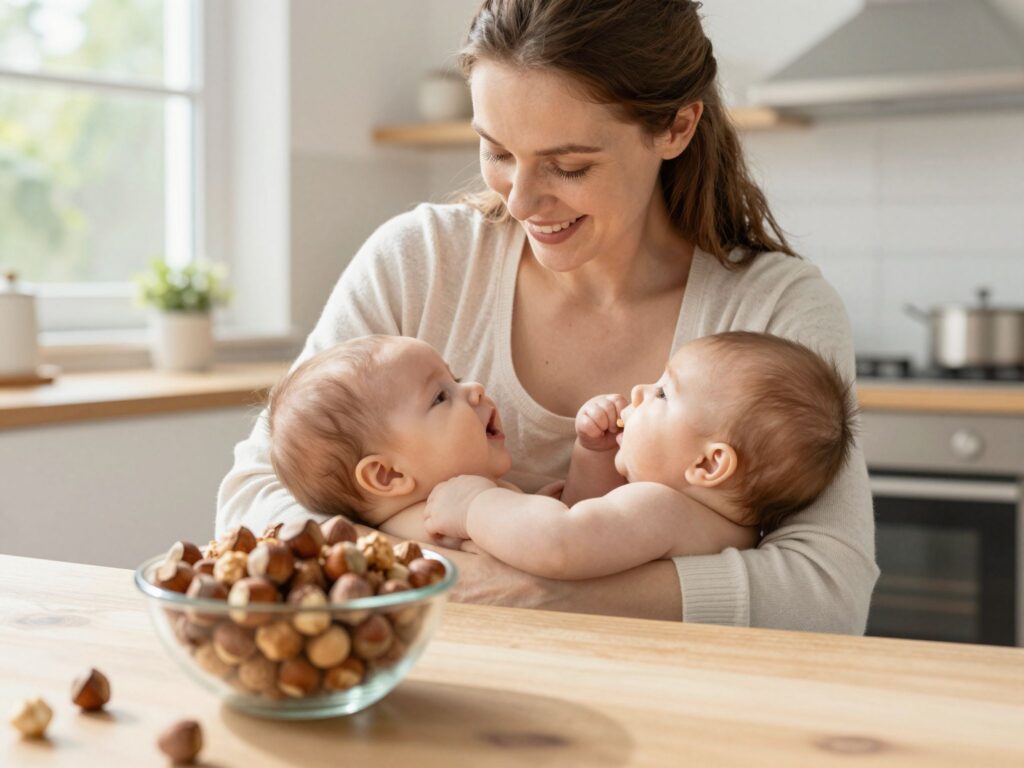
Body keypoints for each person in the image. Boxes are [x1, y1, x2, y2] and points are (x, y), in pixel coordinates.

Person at [218, 0, 878, 632]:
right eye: (498, 152)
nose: (524, 199)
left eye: (567, 164)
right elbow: (253, 501)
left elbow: (829, 595)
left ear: (676, 127)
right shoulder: (421, 259)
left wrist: (542, 592)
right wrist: (448, 568)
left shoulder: (771, 306)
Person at [423, 331, 857, 578]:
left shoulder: (662, 507)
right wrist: (595, 453)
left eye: (665, 392)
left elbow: (561, 544)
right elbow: (589, 514)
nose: (639, 391)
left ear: (708, 464)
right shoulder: (717, 521)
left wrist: (474, 504)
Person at [266, 334, 516, 546]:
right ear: (389, 475)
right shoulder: (456, 516)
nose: (476, 388)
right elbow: (553, 542)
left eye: (456, 380)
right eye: (440, 397)